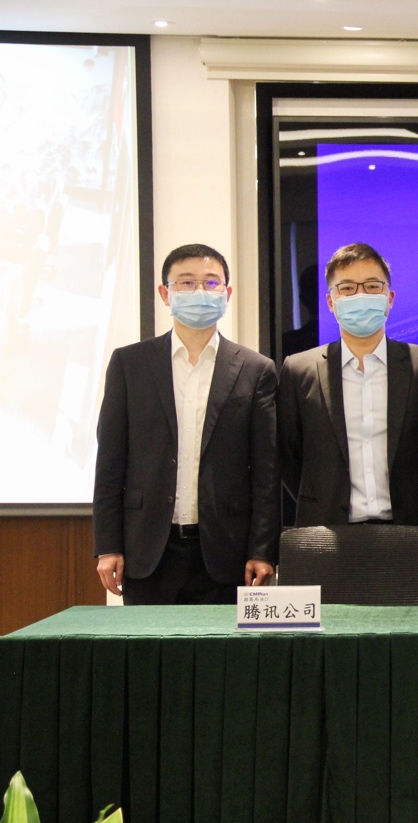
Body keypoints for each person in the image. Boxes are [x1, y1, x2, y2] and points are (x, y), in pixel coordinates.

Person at [93, 243, 279, 604]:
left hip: (227, 552)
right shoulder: (130, 364)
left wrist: (263, 550)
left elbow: (266, 473)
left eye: (211, 283)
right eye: (187, 282)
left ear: (227, 294)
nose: (200, 292)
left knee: (222, 644)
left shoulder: (256, 370)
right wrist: (108, 545)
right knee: (148, 643)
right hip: (148, 550)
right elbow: (110, 462)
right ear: (166, 294)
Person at [278, 242, 418, 528]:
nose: (360, 295)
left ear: (390, 298)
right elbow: (289, 457)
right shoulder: (299, 371)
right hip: (327, 531)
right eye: (347, 288)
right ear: (331, 302)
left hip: (412, 531)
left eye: (372, 286)